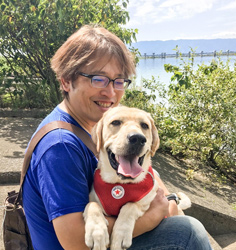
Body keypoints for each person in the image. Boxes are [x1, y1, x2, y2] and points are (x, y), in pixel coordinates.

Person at [23, 24, 212, 250]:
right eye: (98, 79)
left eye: (119, 81)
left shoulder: (90, 123)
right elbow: (75, 242)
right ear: (66, 81)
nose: (111, 93)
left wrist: (168, 201)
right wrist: (153, 215)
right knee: (188, 233)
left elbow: (147, 173)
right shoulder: (60, 146)